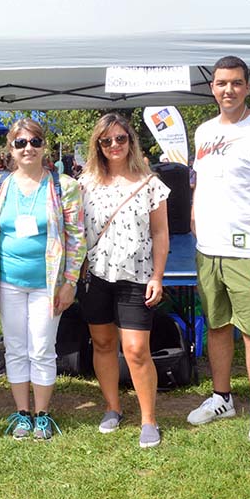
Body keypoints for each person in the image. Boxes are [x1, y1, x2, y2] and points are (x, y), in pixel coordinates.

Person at [187, 56, 250, 446]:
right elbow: (201, 184)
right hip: (208, 249)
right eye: (221, 83)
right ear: (212, 87)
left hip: (249, 252)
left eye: (236, 83)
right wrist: (195, 215)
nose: (227, 89)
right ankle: (222, 397)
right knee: (217, 326)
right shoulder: (203, 132)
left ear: (247, 87)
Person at [0, 118, 85, 441]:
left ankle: (42, 413)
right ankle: (22, 414)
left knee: (42, 348)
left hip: (48, 284)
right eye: (21, 143)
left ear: (44, 146)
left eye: (35, 141)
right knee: (15, 348)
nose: (28, 148)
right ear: (11, 148)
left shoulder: (63, 186)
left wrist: (69, 282)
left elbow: (77, 237)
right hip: (9, 282)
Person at [79, 113, 169, 448]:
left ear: (131, 141)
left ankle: (149, 419)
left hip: (137, 276)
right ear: (98, 145)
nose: (114, 145)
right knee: (102, 344)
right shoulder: (85, 183)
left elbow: (160, 234)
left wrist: (158, 276)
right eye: (106, 141)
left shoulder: (150, 184)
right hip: (96, 275)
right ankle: (112, 407)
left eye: (120, 139)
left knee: (135, 350)